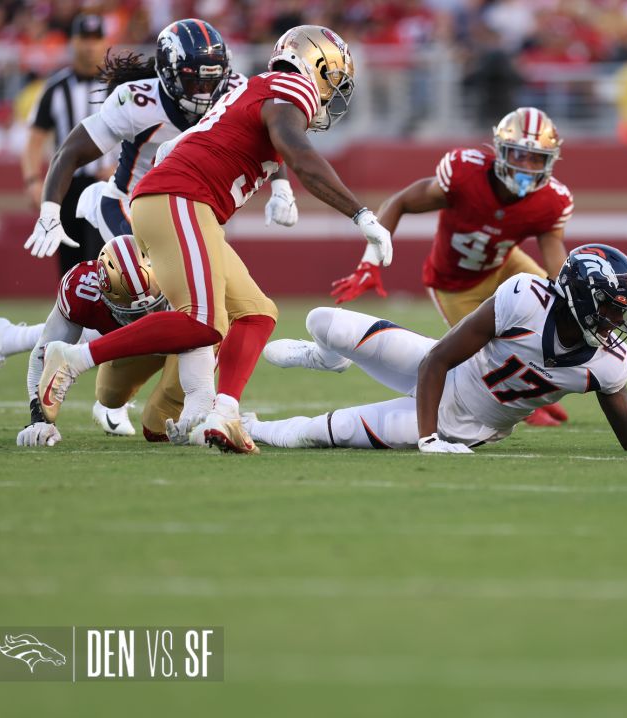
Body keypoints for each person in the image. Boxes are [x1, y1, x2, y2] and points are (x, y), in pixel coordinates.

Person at [36, 25, 394, 455]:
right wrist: (361, 213)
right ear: (311, 65)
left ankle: (223, 413)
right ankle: (73, 359)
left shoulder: (258, 90)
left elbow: (186, 144)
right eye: (333, 79)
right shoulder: (289, 86)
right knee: (203, 321)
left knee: (257, 313)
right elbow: (299, 154)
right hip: (180, 198)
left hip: (185, 201)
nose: (333, 94)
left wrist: (277, 189)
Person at [250, 245, 627, 456]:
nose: (615, 326)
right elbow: (438, 359)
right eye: (609, 311)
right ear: (579, 297)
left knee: (321, 432)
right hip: (443, 374)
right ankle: (331, 358)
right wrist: (426, 442)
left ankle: (249, 427)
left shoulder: (606, 363)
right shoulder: (525, 298)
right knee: (322, 321)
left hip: (465, 424)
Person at [331, 107, 574, 427]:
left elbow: (555, 258)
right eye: (518, 154)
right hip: (454, 284)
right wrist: (370, 261)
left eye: (536, 158)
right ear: (501, 150)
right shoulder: (464, 173)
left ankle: (544, 386)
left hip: (505, 266)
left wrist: (573, 297)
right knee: (482, 357)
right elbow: (400, 201)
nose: (526, 166)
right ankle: (521, 404)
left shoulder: (551, 200)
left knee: (555, 310)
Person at [25, 19, 300, 260]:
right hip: (129, 205)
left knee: (210, 296)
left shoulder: (236, 91)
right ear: (168, 73)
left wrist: (282, 188)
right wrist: (50, 211)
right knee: (144, 285)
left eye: (212, 81)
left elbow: (269, 134)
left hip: (188, 212)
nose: (205, 93)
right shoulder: (138, 102)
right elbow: (69, 152)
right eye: (195, 82)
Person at [9, 235, 200, 447]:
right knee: (109, 396)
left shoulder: (183, 275)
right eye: (135, 315)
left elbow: (212, 331)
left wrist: (199, 404)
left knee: (157, 424)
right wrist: (40, 420)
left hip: (190, 343)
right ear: (105, 296)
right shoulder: (82, 291)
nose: (148, 320)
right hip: (138, 347)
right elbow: (44, 352)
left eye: (155, 308)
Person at [21, 13, 115, 276]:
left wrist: (121, 168)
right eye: (84, 39)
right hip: (68, 186)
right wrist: (32, 181)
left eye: (95, 40)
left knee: (105, 264)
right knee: (70, 267)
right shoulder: (55, 88)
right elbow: (34, 140)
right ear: (73, 42)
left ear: (105, 42)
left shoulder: (120, 86)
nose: (90, 46)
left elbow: (140, 135)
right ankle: (73, 315)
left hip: (108, 186)